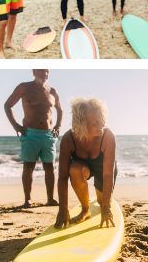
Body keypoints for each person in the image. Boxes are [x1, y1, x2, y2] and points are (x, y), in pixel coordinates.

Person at [55, 98, 118, 229]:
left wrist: (106, 208)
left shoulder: (108, 137)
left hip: (104, 169)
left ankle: (101, 200)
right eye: (95, 122)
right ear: (81, 124)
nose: (101, 124)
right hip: (83, 167)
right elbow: (62, 177)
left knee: (102, 203)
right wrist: (63, 209)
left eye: (102, 119)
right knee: (74, 169)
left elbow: (107, 175)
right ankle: (85, 209)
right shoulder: (69, 139)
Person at [3, 70, 62, 207]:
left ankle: (50, 199)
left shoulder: (52, 91)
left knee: (50, 167)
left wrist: (58, 125)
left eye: (47, 71)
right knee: (29, 166)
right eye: (42, 71)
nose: (45, 74)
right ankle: (27, 199)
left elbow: (60, 109)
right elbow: (7, 105)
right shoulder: (24, 87)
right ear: (34, 71)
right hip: (30, 134)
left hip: (48, 135)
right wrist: (16, 125)